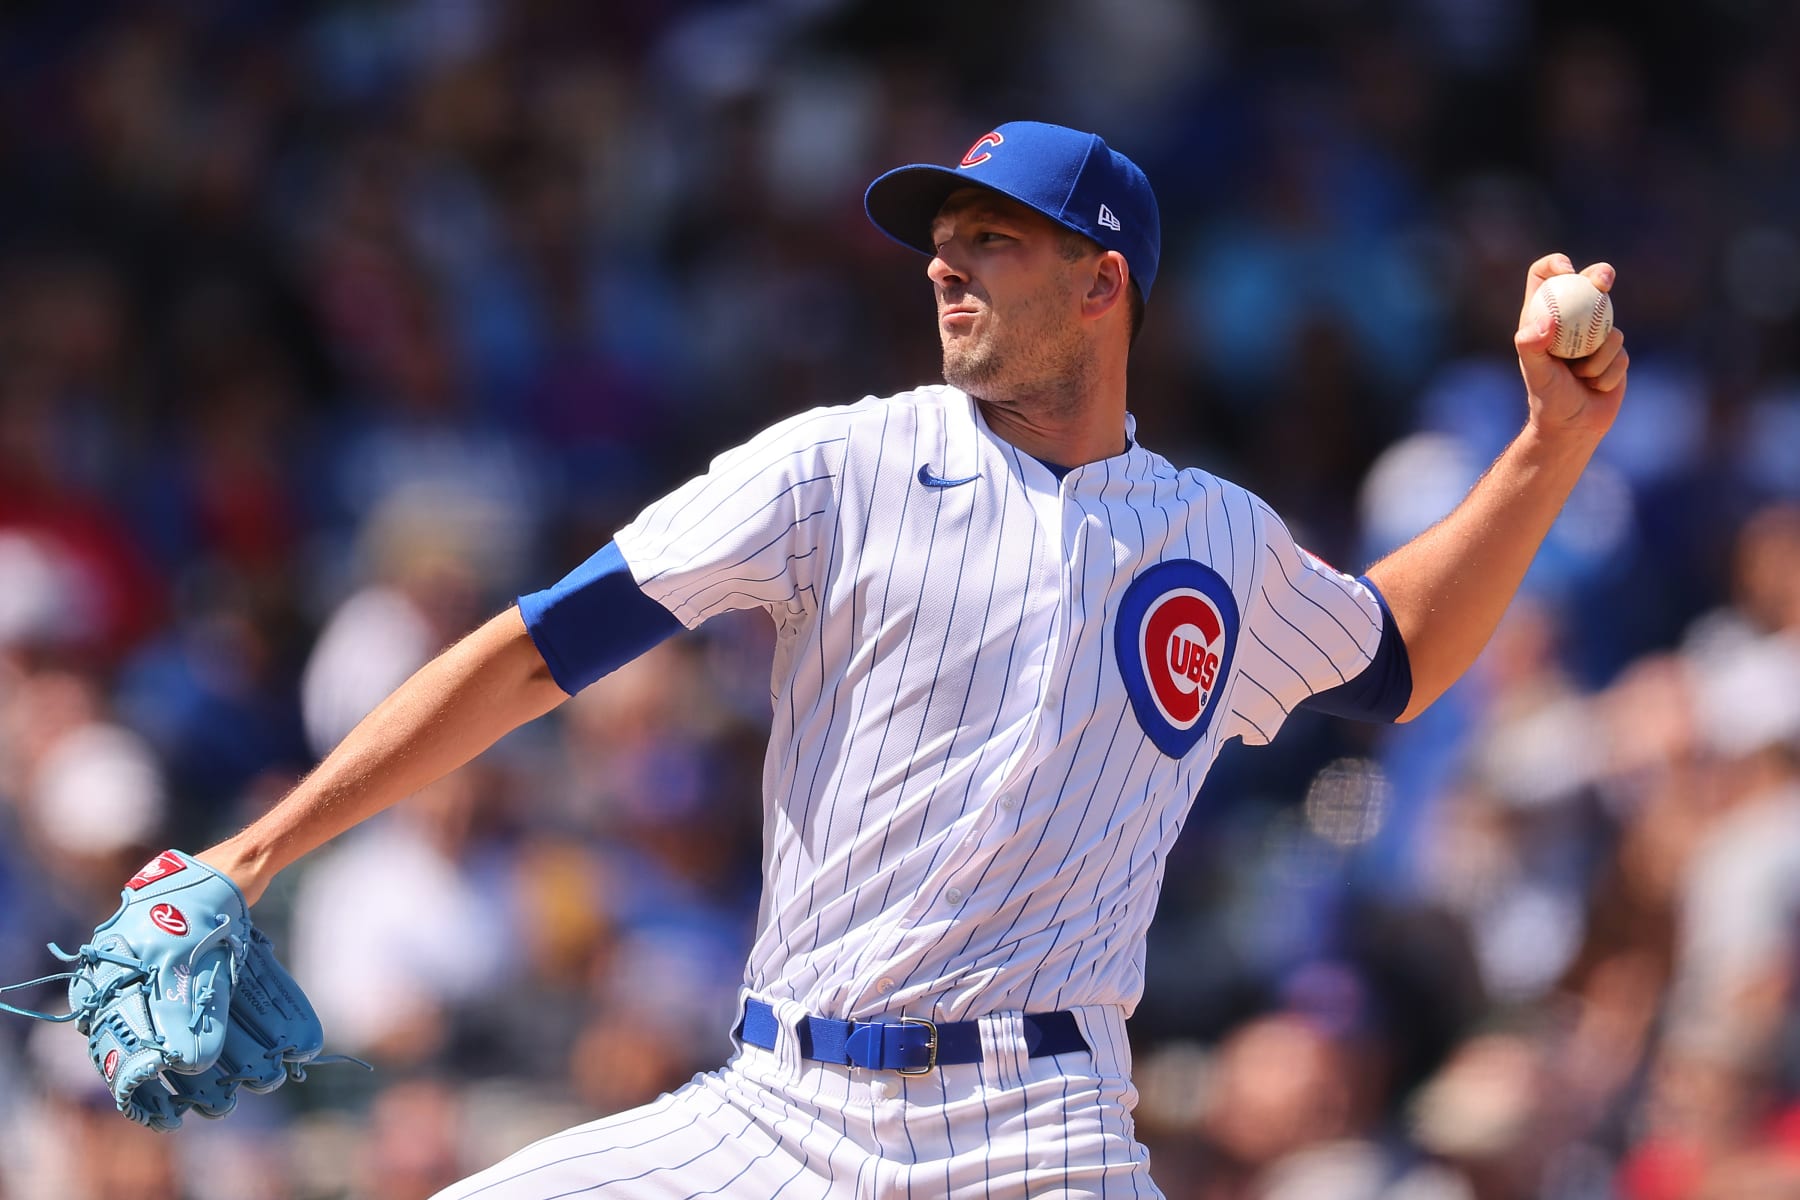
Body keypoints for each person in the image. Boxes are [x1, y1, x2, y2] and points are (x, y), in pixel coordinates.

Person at [194, 120, 1629, 1196]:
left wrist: (1546, 448)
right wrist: (251, 856)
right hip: (778, 1111)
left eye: (993, 238)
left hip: (1042, 1133)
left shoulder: (1216, 538)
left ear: (1101, 282)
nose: (944, 261)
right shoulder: (839, 466)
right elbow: (535, 650)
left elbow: (1394, 656)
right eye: (942, 239)